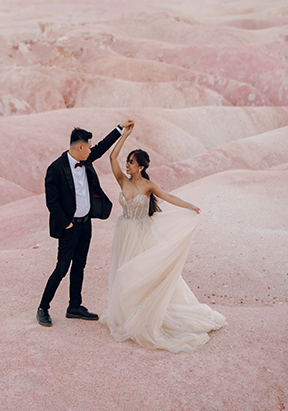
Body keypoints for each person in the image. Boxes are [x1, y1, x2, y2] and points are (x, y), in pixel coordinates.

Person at [104, 121, 226, 352]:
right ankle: (125, 313)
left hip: (141, 234)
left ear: (140, 167)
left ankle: (143, 314)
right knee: (122, 272)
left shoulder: (149, 185)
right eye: (127, 162)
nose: (127, 165)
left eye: (131, 162)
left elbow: (169, 197)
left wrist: (190, 206)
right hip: (124, 233)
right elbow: (112, 158)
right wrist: (124, 136)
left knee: (138, 273)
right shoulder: (122, 180)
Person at [37, 122, 129, 327]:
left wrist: (119, 129)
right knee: (62, 268)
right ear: (79, 147)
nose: (90, 150)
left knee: (80, 265)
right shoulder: (55, 169)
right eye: (88, 147)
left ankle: (74, 306)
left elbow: (102, 147)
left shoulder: (86, 160)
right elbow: (51, 201)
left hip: (86, 224)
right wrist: (66, 224)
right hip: (69, 227)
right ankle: (43, 307)